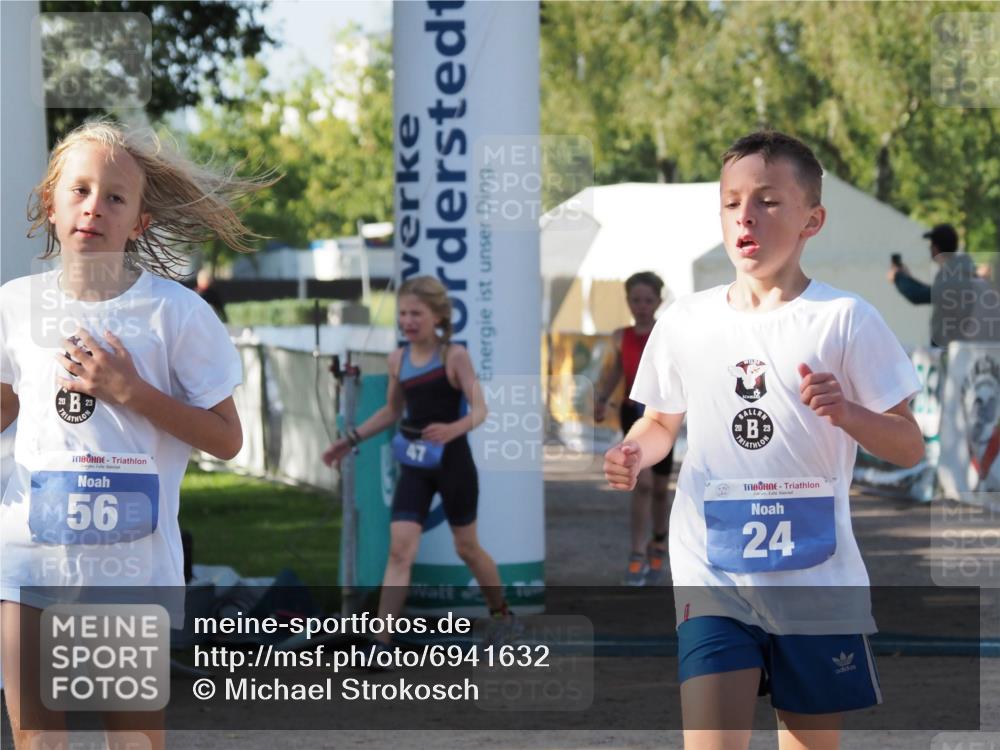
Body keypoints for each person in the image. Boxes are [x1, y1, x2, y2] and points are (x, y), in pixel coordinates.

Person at [604, 130, 924, 750]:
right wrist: (635, 451)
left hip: (815, 581)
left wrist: (849, 412)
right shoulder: (684, 321)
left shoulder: (845, 318)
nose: (746, 216)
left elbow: (909, 447)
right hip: (713, 574)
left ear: (813, 218)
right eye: (731, 202)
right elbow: (662, 421)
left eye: (769, 201)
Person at [0, 120, 274, 750]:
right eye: (80, 190)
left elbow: (228, 439)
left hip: (129, 567)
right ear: (52, 202)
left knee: (134, 744)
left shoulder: (174, 312)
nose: (95, 206)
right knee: (39, 743)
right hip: (27, 559)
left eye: (115, 197)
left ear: (140, 221)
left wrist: (131, 393)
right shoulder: (16, 304)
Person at [322, 276, 518, 660]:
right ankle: (382, 643)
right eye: (403, 314)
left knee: (468, 548)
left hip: (453, 464)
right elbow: (393, 411)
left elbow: (481, 409)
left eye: (416, 313)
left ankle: (503, 615)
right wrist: (351, 439)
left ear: (437, 316)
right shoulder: (398, 359)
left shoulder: (454, 356)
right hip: (415, 464)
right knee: (400, 552)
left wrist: (452, 429)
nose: (408, 321)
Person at [594, 271, 674, 585]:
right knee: (641, 484)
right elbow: (616, 371)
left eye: (648, 301)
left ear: (659, 301)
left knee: (659, 489)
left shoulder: (666, 332)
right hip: (632, 414)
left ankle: (659, 541)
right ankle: (637, 551)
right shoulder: (620, 336)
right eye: (635, 300)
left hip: (663, 415)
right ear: (627, 301)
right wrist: (601, 398)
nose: (641, 306)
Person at [888, 223, 994, 346]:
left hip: (954, 352)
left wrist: (898, 277)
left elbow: (918, 295)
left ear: (935, 248)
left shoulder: (955, 276)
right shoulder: (962, 272)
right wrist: (907, 278)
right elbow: (932, 292)